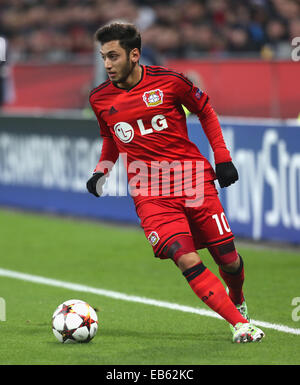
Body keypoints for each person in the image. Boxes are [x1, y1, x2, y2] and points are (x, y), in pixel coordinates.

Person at [86, 22, 265, 343]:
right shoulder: (99, 98)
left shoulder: (170, 82)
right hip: (149, 193)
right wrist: (102, 170)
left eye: (113, 56)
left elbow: (205, 109)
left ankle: (237, 298)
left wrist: (222, 158)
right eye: (103, 57)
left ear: (134, 54)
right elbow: (109, 137)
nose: (108, 64)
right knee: (184, 257)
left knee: (229, 260)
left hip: (193, 181)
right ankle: (241, 324)